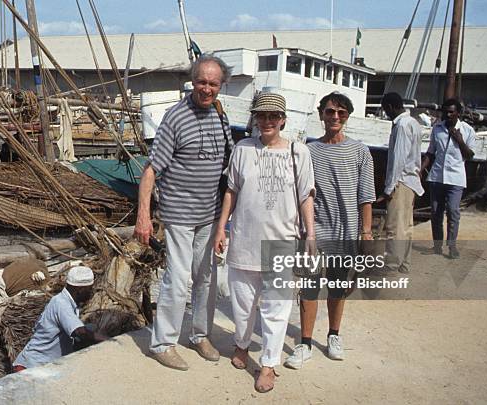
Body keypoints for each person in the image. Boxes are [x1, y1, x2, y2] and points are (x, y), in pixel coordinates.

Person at [133, 55, 232, 371]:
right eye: (202, 82)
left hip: (210, 213)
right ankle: (162, 344)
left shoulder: (220, 115)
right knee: (177, 280)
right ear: (193, 81)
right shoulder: (175, 117)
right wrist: (143, 216)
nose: (207, 89)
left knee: (206, 278)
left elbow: (228, 166)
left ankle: (200, 335)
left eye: (213, 84)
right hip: (178, 214)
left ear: (221, 85)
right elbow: (151, 170)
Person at [213, 92, 316, 393]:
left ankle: (269, 363)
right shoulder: (243, 149)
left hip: (281, 242)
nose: (267, 121)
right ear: (255, 118)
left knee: (276, 306)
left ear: (283, 119)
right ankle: (242, 345)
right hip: (244, 238)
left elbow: (305, 196)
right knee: (242, 303)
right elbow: (230, 192)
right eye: (262, 115)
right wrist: (222, 228)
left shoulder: (299, 152)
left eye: (273, 116)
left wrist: (310, 234)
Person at [285, 92, 375, 369]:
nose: (335, 117)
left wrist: (367, 233)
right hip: (317, 230)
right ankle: (305, 342)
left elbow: (366, 196)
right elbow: (300, 192)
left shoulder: (361, 151)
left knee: (338, 286)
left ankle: (334, 335)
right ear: (321, 114)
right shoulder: (309, 151)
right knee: (310, 287)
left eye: (341, 112)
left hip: (346, 232)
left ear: (347, 116)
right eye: (329, 111)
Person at [12, 266, 106, 371]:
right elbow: (80, 332)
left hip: (44, 366)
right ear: (80, 289)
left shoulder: (68, 303)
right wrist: (110, 341)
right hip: (31, 367)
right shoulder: (61, 304)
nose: (91, 292)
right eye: (90, 289)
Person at [421, 98, 475, 259]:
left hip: (455, 179)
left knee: (452, 211)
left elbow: (470, 155)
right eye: (446, 111)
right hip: (437, 177)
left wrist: (459, 140)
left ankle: (452, 246)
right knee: (436, 213)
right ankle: (437, 246)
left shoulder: (467, 130)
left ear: (458, 113)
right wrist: (421, 169)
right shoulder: (437, 129)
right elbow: (431, 152)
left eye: (452, 112)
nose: (448, 114)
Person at [378, 92, 424, 273]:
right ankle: (404, 263)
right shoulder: (414, 123)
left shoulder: (402, 126)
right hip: (411, 181)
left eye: (385, 110)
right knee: (406, 226)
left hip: (401, 181)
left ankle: (391, 264)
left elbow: (398, 159)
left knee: (395, 226)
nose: (386, 114)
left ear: (390, 107)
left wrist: (388, 189)